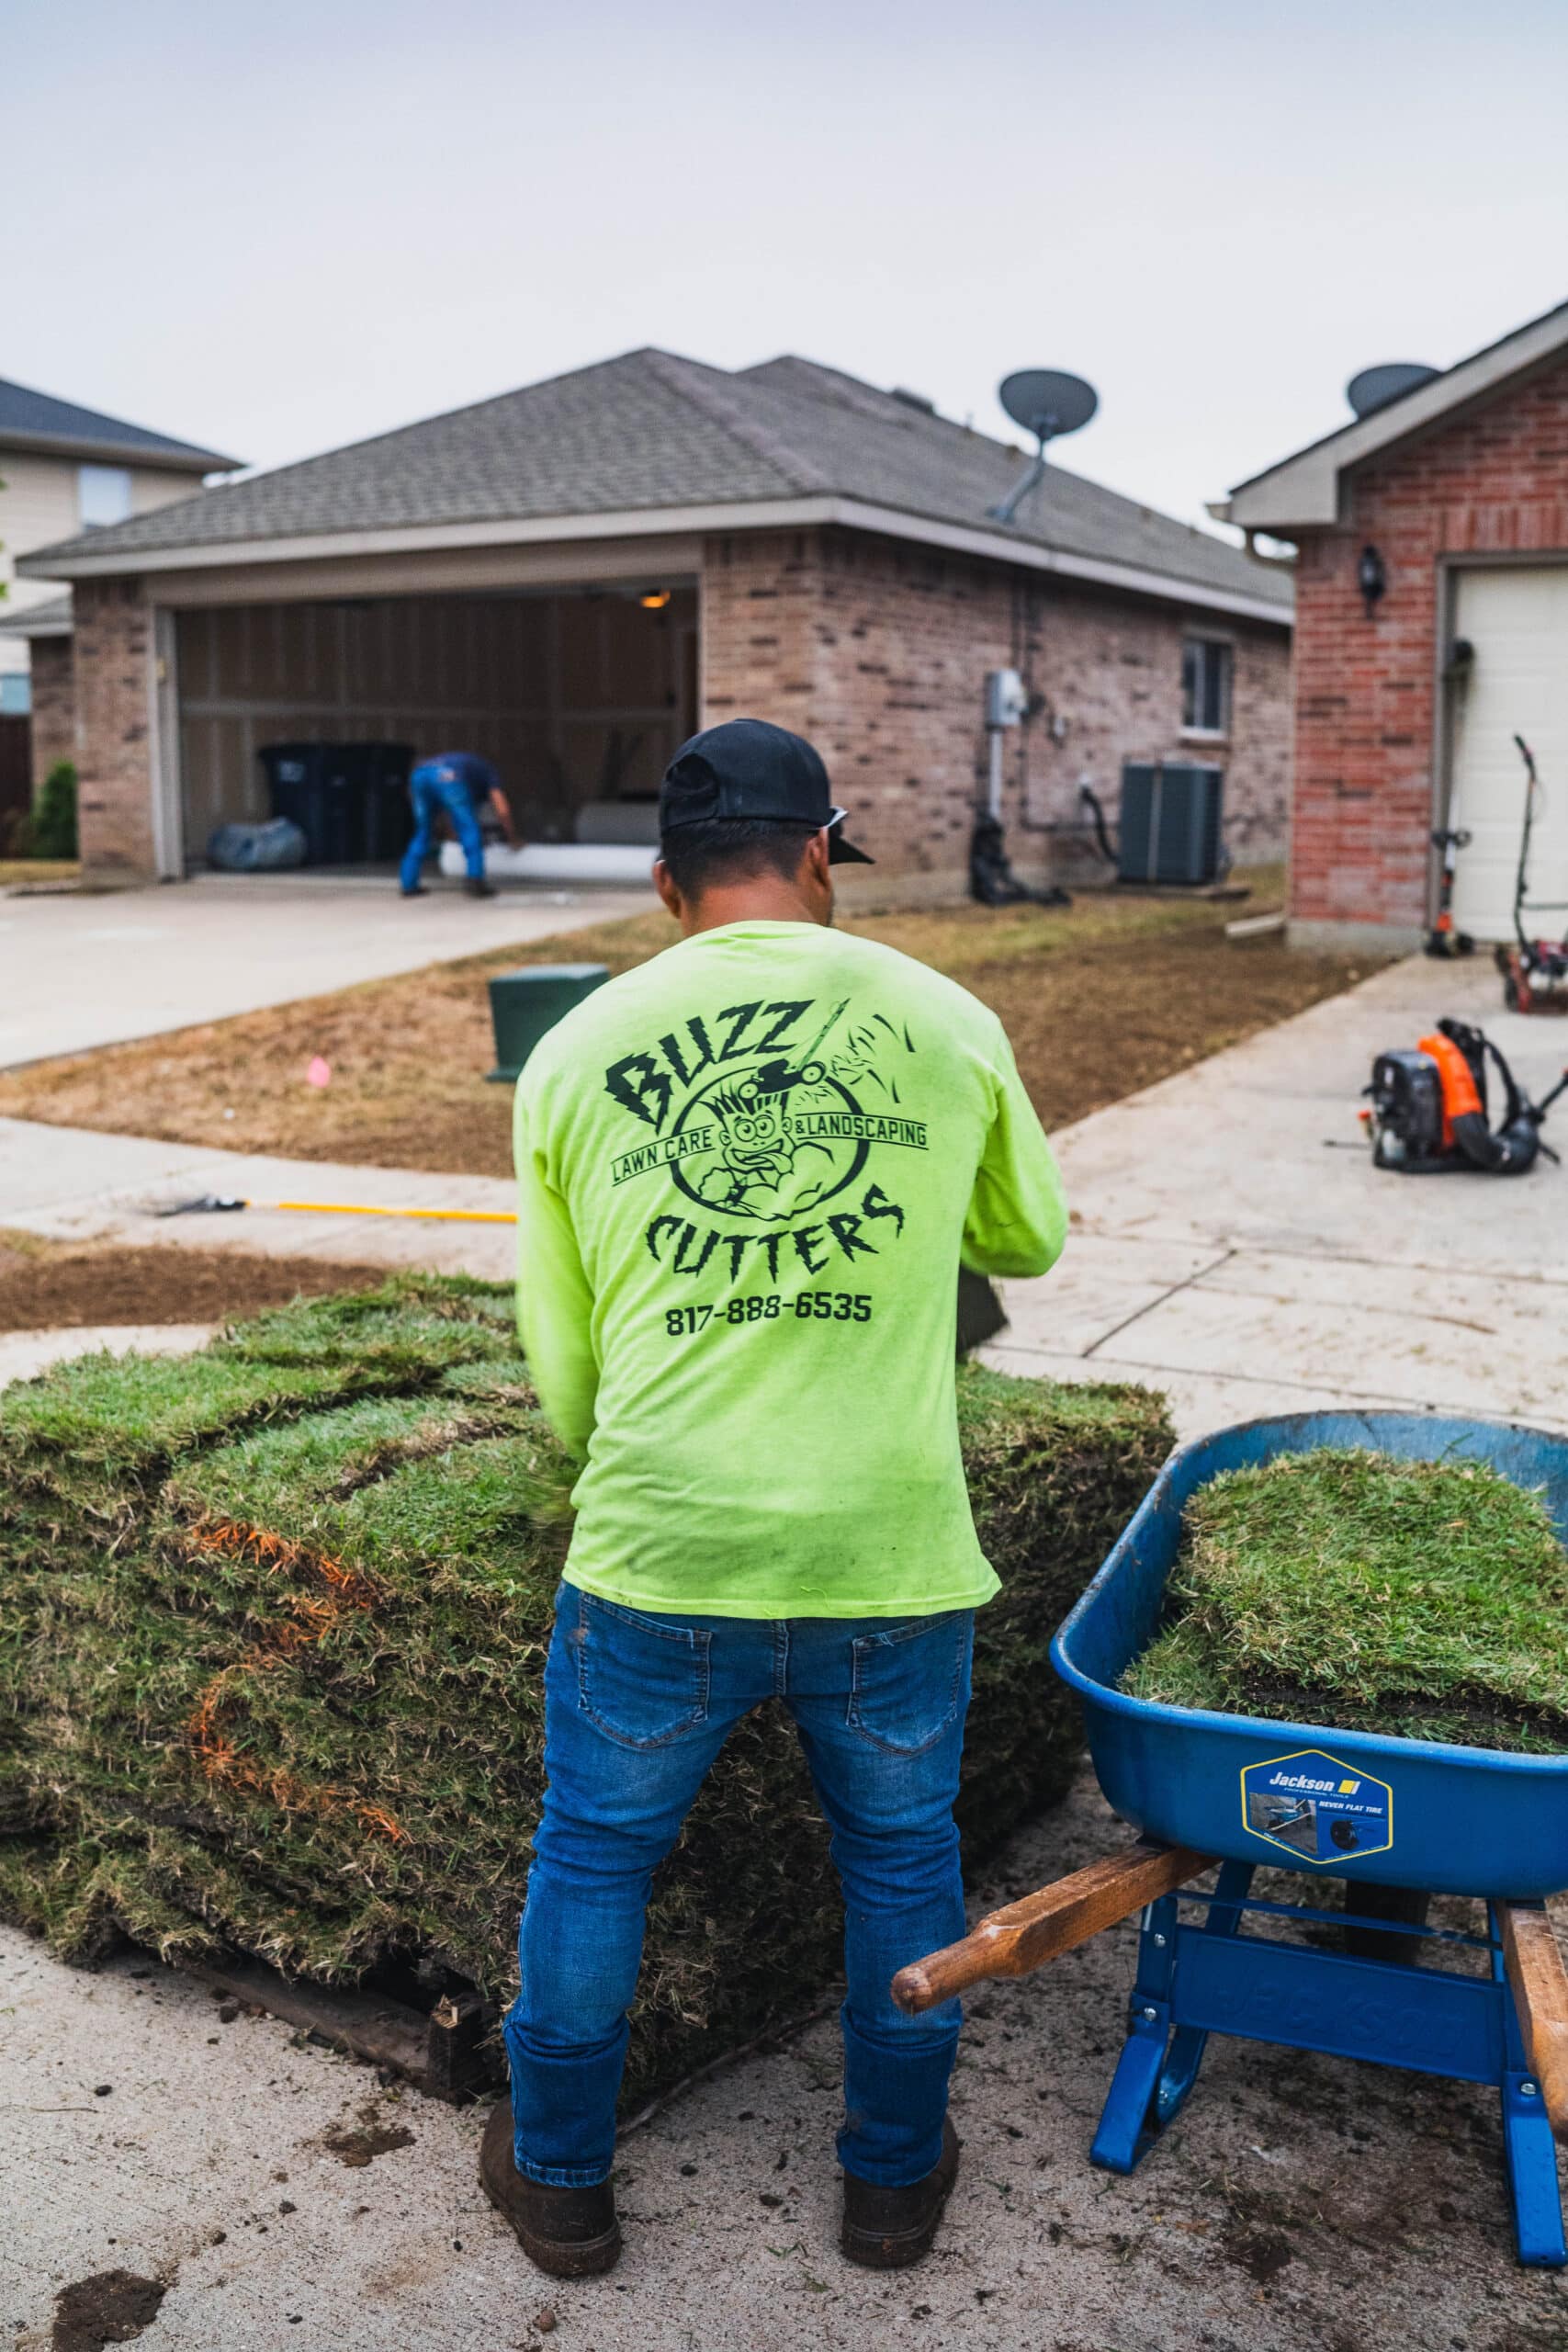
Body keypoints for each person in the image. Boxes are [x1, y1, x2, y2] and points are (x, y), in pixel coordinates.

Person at [482, 718, 1067, 2280]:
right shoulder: (943, 1017)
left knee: (593, 1857)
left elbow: (563, 1367)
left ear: (664, 883)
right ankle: (890, 2183)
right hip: (888, 1554)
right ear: (818, 855)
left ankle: (559, 2181)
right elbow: (1027, 1242)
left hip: (659, 1550)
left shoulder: (571, 1052)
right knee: (900, 1863)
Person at [399, 750, 515, 898]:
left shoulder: (467, 770)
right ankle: (475, 880)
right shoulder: (490, 773)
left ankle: (408, 885)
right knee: (469, 829)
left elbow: (449, 807)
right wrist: (512, 837)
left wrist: (452, 832)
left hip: (419, 775)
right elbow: (502, 810)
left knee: (423, 831)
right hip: (447, 776)